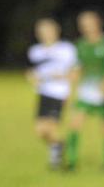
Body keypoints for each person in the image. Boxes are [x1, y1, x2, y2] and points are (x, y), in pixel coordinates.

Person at [65, 9, 104, 171]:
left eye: (89, 23)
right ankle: (71, 161)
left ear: (98, 23)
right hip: (85, 93)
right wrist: (70, 88)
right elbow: (76, 70)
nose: (86, 27)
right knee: (75, 124)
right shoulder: (80, 45)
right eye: (83, 24)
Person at [26, 18, 77, 169]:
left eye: (48, 31)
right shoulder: (35, 51)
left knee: (51, 127)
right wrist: (32, 78)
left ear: (56, 31)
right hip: (43, 93)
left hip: (60, 93)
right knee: (40, 131)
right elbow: (31, 71)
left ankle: (55, 161)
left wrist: (63, 80)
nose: (45, 34)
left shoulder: (67, 49)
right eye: (41, 32)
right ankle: (59, 145)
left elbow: (75, 73)